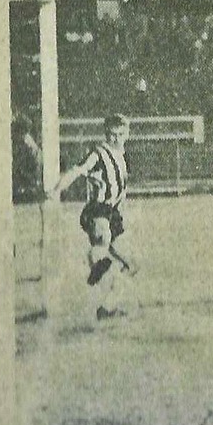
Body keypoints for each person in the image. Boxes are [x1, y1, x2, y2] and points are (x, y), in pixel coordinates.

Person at [47, 114, 136, 321]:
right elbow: (76, 170)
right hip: (98, 209)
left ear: (127, 134)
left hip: (113, 213)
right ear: (106, 134)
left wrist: (120, 212)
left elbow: (121, 190)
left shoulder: (124, 157)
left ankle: (107, 307)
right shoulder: (99, 154)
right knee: (101, 243)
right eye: (111, 134)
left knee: (132, 265)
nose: (115, 138)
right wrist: (57, 189)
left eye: (120, 134)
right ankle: (95, 262)